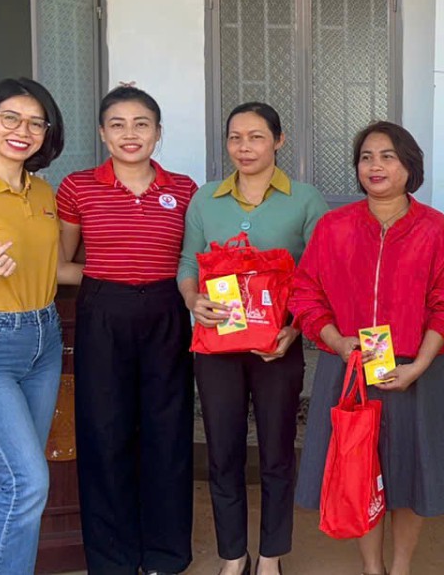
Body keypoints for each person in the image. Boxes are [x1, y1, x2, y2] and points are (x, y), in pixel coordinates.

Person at [291, 121, 444, 575]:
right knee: (359, 472)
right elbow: (305, 293)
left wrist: (421, 364)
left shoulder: (434, 229)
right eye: (366, 157)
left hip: (413, 371)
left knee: (408, 477)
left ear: (409, 166)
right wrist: (335, 340)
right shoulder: (334, 227)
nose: (375, 166)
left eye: (387, 156)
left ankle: (401, 567)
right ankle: (372, 568)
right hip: (348, 370)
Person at [178, 102, 327, 575]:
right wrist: (192, 300)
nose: (244, 147)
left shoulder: (305, 200)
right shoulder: (206, 199)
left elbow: (319, 276)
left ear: (278, 141)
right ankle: (233, 555)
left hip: (276, 348)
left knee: (277, 454)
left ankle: (270, 556)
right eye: (235, 137)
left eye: (256, 136)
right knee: (222, 453)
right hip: (216, 346)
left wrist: (294, 329)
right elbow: (188, 262)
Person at [57, 86, 199, 575]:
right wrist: (109, 277)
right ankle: (112, 558)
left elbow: (192, 261)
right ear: (102, 132)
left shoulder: (185, 189)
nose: (130, 134)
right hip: (103, 311)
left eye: (142, 124)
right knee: (104, 431)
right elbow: (61, 264)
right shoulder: (77, 187)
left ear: (158, 133)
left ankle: (165, 553)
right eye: (117, 124)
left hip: (166, 312)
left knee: (168, 431)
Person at [0, 77, 65, 574]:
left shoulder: (43, 192)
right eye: (10, 118)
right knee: (27, 481)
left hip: (45, 340)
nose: (22, 131)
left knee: (16, 480)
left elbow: (56, 268)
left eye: (35, 123)